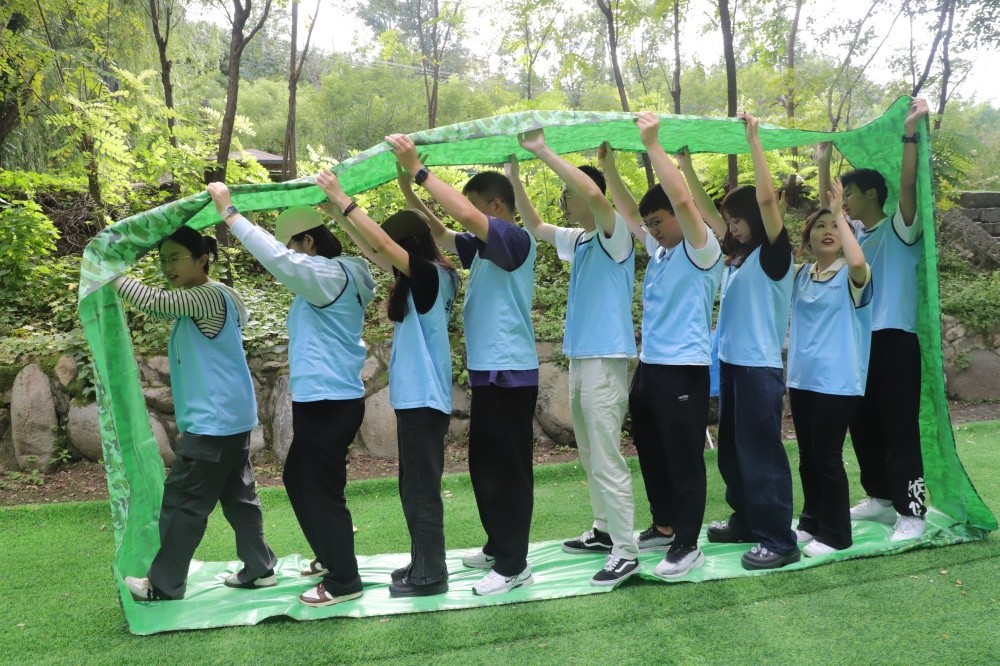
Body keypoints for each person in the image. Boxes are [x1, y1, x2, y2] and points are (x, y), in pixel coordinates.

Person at [204, 185, 376, 608]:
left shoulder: (328, 276)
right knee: (302, 479)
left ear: (309, 242)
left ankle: (344, 580)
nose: (292, 254)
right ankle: (330, 558)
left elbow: (279, 260)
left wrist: (231, 214)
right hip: (328, 397)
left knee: (319, 488)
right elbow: (292, 260)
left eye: (295, 245)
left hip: (328, 400)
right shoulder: (345, 272)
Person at [385, 132, 539, 596]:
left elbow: (465, 219)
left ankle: (513, 565)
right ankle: (497, 547)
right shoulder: (486, 248)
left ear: (496, 206)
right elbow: (442, 234)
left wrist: (420, 171)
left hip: (510, 373)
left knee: (508, 472)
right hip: (489, 373)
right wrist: (409, 190)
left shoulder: (514, 239)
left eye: (474, 208)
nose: (467, 218)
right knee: (485, 467)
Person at [316, 168, 459, 598]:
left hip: (422, 398)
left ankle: (430, 574)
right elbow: (374, 248)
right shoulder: (435, 274)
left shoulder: (428, 275)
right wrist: (337, 216)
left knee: (420, 491)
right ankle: (423, 561)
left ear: (408, 246)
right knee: (413, 488)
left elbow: (379, 244)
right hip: (421, 397)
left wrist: (343, 198)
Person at [117, 226, 277, 601]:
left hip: (214, 422)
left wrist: (107, 274)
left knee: (183, 501)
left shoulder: (206, 296)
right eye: (162, 260)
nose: (167, 267)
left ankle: (163, 585)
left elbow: (154, 301)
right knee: (238, 497)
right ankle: (260, 569)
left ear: (202, 259)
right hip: (231, 417)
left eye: (175, 258)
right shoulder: (218, 295)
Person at [510, 129, 639, 587]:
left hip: (606, 359)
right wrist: (514, 176)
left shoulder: (614, 233)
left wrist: (543, 151)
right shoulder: (581, 240)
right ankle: (604, 531)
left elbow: (595, 195)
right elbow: (535, 227)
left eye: (568, 195)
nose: (564, 203)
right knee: (589, 453)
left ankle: (626, 551)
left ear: (588, 196)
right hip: (582, 359)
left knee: (605, 456)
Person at [600, 113, 724, 578]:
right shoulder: (663, 251)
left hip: (683, 368)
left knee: (683, 457)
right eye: (650, 224)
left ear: (678, 216)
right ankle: (666, 526)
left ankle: (688, 544)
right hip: (650, 367)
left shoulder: (701, 248)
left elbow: (684, 200)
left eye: (659, 221)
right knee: (651, 450)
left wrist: (653, 145)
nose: (651, 229)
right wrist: (609, 168)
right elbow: (630, 214)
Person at [689, 113, 800, 570]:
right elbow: (704, 212)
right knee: (733, 453)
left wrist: (754, 141)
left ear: (755, 217)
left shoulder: (774, 255)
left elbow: (768, 199)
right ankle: (747, 520)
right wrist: (684, 164)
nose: (731, 227)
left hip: (758, 367)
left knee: (761, 454)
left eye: (737, 219)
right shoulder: (738, 256)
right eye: (729, 220)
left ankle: (779, 540)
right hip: (733, 365)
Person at [842, 98, 930, 541]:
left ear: (872, 194)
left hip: (895, 339)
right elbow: (827, 212)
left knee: (899, 427)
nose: (844, 202)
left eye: (850, 194)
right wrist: (822, 161)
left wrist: (910, 133)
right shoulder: (855, 235)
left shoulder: (901, 227)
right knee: (861, 421)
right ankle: (878, 496)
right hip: (860, 342)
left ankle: (912, 511)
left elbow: (908, 184)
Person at [787, 178, 872, 556]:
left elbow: (857, 261)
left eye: (835, 226)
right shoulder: (800, 275)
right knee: (807, 458)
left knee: (826, 458)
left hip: (836, 382)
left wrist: (840, 214)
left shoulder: (853, 275)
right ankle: (811, 521)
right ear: (807, 239)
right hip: (802, 379)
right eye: (820, 225)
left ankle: (836, 535)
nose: (828, 230)